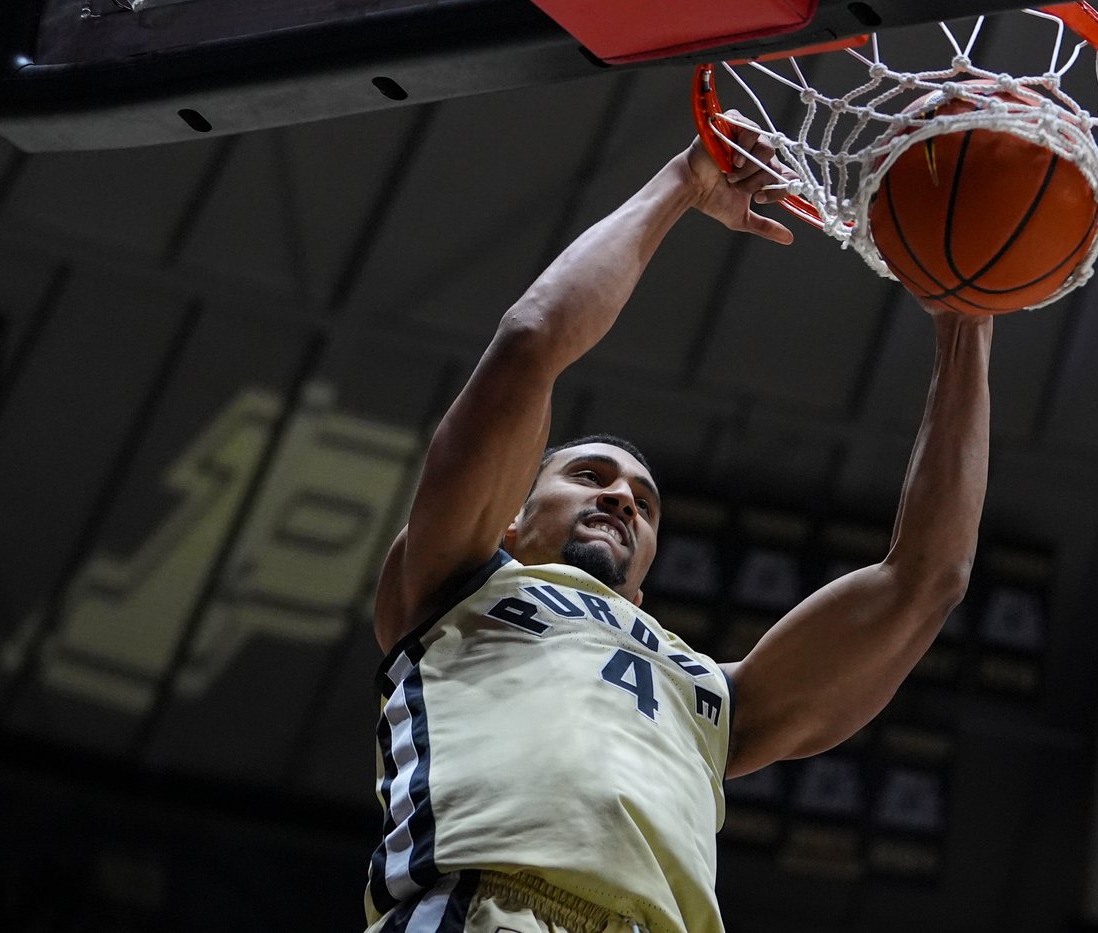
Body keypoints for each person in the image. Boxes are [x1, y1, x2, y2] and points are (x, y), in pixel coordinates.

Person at [364, 120, 992, 933]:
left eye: (645, 501)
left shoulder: (710, 691)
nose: (623, 497)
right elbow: (530, 343)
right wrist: (682, 186)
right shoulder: (460, 581)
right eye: (590, 475)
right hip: (483, 908)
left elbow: (926, 580)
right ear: (513, 520)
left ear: (651, 568)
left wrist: (965, 322)